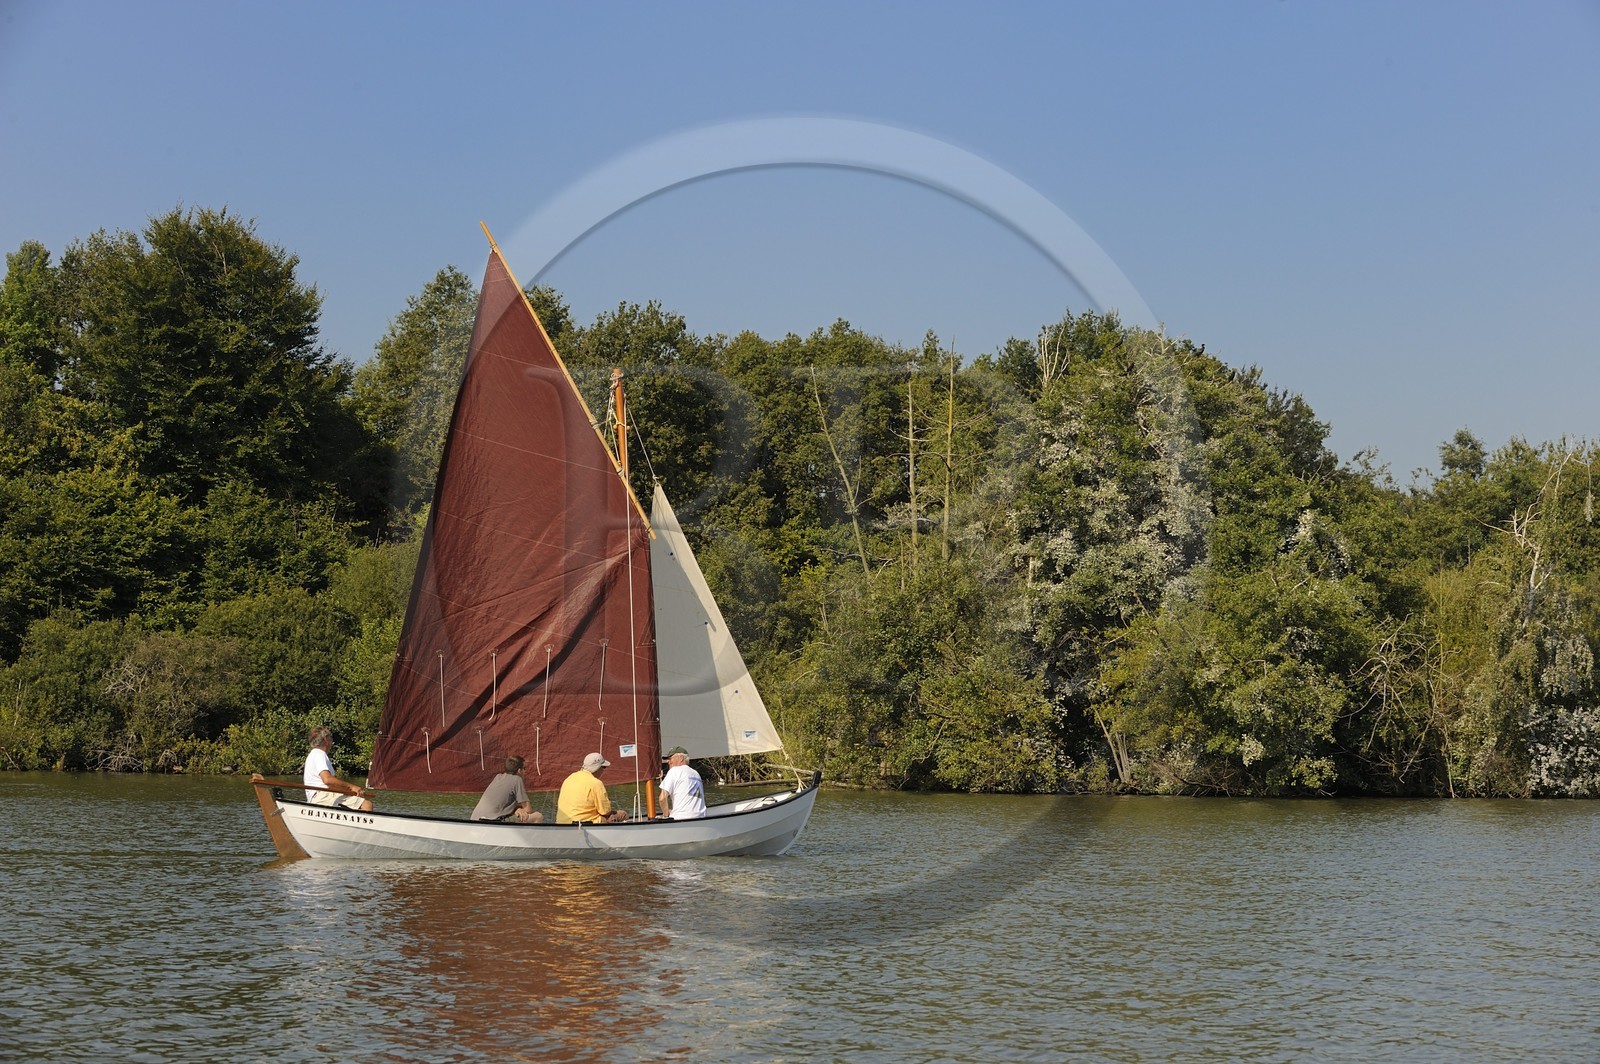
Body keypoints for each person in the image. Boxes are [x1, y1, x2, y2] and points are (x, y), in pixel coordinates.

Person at [303, 726, 373, 811]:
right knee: (366, 805)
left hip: (320, 796)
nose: (332, 741)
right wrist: (352, 787)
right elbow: (327, 780)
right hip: (322, 796)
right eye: (331, 737)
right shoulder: (319, 754)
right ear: (326, 740)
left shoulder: (313, 754)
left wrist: (346, 791)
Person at [555, 752, 628, 824]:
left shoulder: (570, 778)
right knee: (622, 814)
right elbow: (605, 812)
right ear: (597, 768)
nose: (603, 770)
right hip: (585, 823)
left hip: (562, 822)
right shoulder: (596, 783)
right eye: (603, 767)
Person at [472, 755, 544, 823]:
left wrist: (517, 809)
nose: (525, 771)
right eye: (524, 768)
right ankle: (530, 836)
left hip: (474, 819)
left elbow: (502, 803)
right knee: (538, 816)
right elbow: (528, 810)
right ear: (519, 771)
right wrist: (519, 809)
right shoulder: (517, 779)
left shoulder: (498, 777)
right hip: (492, 821)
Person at [658, 746, 706, 820]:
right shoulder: (696, 773)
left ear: (681, 758)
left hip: (681, 819)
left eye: (670, 758)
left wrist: (666, 814)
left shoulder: (674, 771)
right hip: (701, 817)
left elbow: (662, 798)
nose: (668, 761)